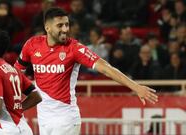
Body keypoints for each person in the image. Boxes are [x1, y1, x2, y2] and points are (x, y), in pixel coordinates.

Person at [14, 7, 158, 135]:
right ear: (47, 28)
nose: (65, 29)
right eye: (60, 25)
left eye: (67, 24)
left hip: (66, 120)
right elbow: (15, 73)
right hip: (43, 118)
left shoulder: (74, 48)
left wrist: (135, 87)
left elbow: (106, 68)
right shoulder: (32, 45)